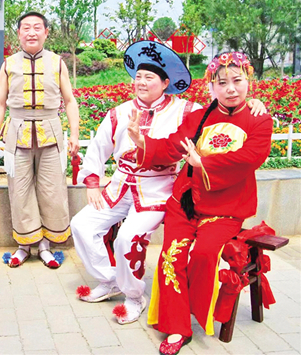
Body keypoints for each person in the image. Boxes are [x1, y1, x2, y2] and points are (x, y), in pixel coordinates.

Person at [70, 42, 267, 325]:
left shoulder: (187, 111)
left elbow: (226, 111)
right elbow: (99, 148)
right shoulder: (119, 112)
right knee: (81, 225)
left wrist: (255, 102)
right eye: (138, 76)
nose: (141, 82)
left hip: (159, 189)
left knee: (127, 238)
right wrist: (92, 182)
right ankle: (111, 279)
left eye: (149, 77)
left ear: (165, 83)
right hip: (120, 186)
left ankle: (134, 296)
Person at [127, 52, 272, 355]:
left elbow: (250, 157)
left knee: (205, 255)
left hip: (226, 208)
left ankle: (190, 308)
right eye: (222, 83)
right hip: (186, 202)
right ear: (212, 87)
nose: (230, 89)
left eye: (237, 80)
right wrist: (143, 142)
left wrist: (203, 163)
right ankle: (178, 328)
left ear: (249, 81)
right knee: (171, 257)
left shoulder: (259, 119)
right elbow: (173, 145)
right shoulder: (198, 118)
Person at [0, 11, 80, 269]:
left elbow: (69, 101)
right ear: (18, 33)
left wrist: (74, 134)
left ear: (46, 32)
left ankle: (45, 246)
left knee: (52, 190)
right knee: (19, 190)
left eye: (37, 27)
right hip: (17, 133)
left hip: (50, 132)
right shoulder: (8, 64)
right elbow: (0, 103)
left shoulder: (57, 63)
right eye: (26, 28)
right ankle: (23, 246)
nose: (31, 32)